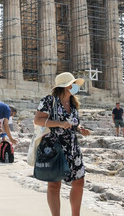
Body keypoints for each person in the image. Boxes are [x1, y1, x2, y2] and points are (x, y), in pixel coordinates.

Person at [33, 72, 91, 216]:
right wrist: (59, 123)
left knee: (79, 182)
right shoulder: (49, 100)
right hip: (54, 147)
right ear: (66, 86)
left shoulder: (73, 103)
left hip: (72, 149)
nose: (76, 86)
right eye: (74, 84)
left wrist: (79, 129)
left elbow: (71, 124)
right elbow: (38, 120)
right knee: (54, 185)